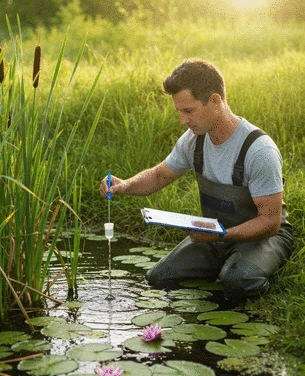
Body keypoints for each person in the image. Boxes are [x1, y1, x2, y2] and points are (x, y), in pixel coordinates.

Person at [99, 58, 293, 302]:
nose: (182, 120)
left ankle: (246, 280)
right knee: (159, 278)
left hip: (262, 237)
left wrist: (222, 236)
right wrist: (124, 185)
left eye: (188, 111)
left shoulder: (259, 150)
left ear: (215, 100)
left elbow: (270, 222)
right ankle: (220, 269)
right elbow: (159, 175)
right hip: (214, 235)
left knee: (237, 282)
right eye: (179, 111)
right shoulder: (193, 140)